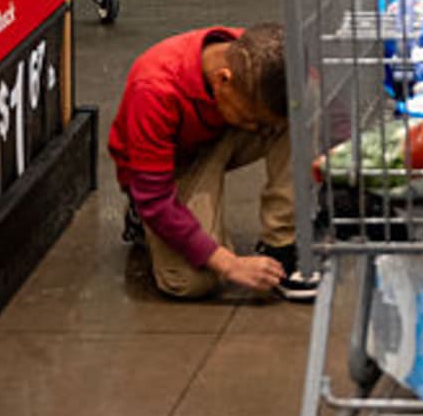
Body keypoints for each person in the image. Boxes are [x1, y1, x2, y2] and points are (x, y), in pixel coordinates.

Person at [109, 23, 317, 300]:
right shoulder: (153, 90)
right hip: (170, 167)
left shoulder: (255, 56)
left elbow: (311, 81)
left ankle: (281, 243)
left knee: (304, 100)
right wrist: (229, 264)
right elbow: (155, 198)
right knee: (190, 281)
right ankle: (139, 217)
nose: (256, 130)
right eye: (250, 119)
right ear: (223, 79)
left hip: (218, 133)